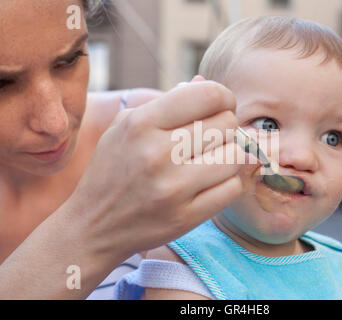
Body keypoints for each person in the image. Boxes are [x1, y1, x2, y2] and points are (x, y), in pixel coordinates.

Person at [115, 17, 342, 300]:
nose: (302, 157)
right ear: (207, 129)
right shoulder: (184, 262)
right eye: (268, 124)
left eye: (332, 137)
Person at [0, 0, 244, 299]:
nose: (55, 122)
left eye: (70, 59)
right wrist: (93, 230)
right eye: (3, 84)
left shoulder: (159, 138)